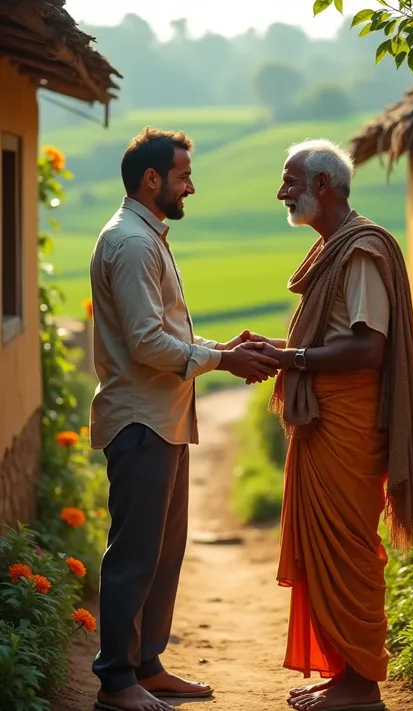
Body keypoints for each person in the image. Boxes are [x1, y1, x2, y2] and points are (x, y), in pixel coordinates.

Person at [89, 127, 279, 711]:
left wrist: (222, 346)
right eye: (183, 175)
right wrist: (223, 358)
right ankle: (117, 683)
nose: (190, 186)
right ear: (152, 179)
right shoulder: (133, 242)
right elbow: (148, 344)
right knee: (135, 554)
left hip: (162, 420)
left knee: (163, 553)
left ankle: (146, 664)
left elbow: (163, 334)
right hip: (141, 421)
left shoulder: (146, 236)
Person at [242, 139, 413, 711]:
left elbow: (366, 349)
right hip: (327, 423)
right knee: (329, 549)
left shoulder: (361, 251)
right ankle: (344, 673)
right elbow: (325, 343)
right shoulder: (336, 248)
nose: (282, 192)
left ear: (323, 185)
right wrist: (279, 350)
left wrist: (290, 359)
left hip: (350, 427)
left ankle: (362, 686)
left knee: (348, 549)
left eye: (290, 181)